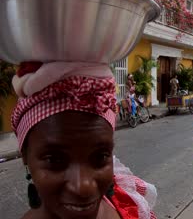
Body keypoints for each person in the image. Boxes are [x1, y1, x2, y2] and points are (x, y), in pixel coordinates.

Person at [11, 62, 157, 219]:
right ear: (25, 155)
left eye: (100, 157)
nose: (83, 187)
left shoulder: (128, 210)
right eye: (54, 160)